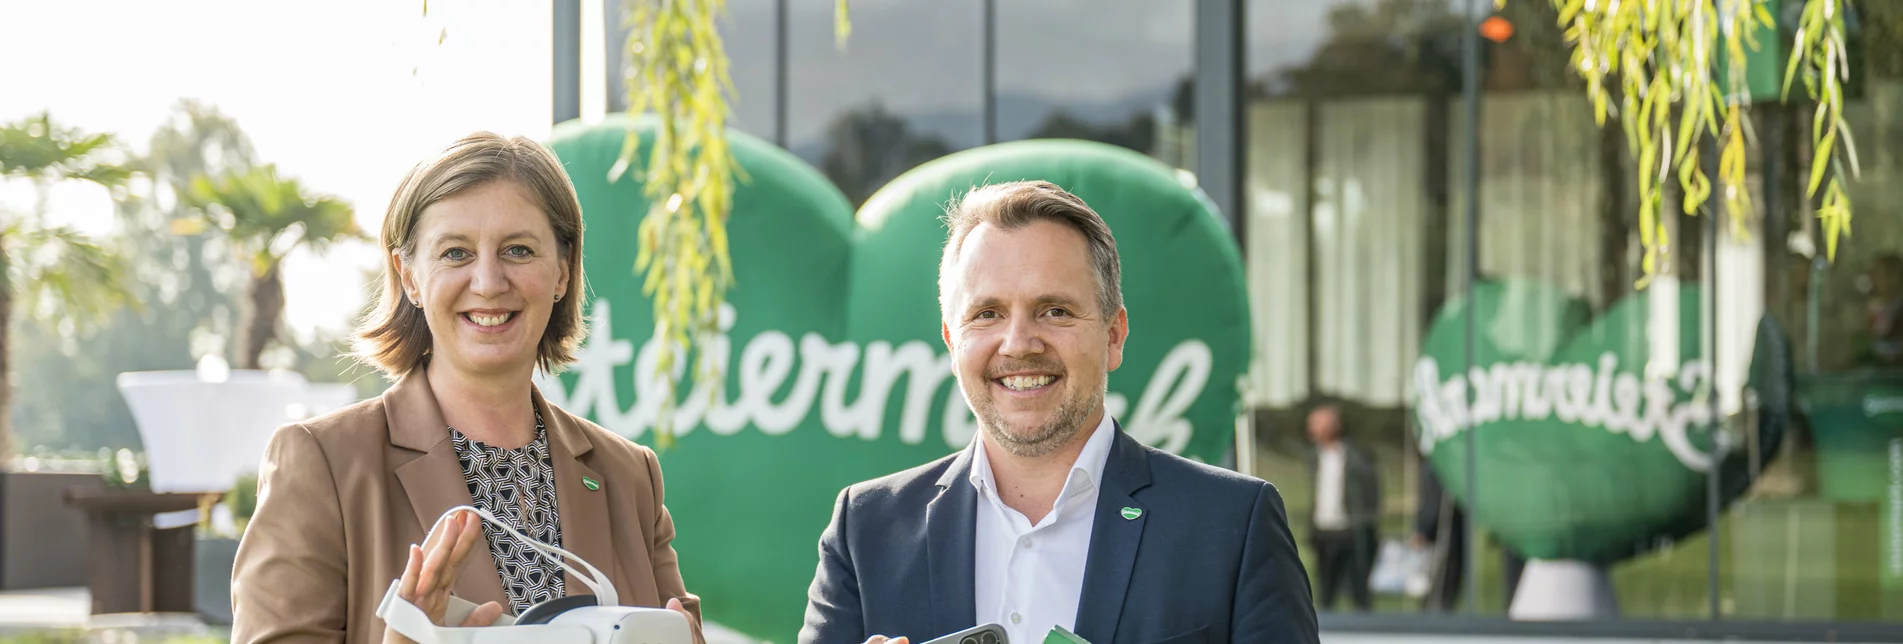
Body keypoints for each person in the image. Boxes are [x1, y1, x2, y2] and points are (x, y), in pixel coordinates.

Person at [229, 132, 704, 644]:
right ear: (408, 275)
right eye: (456, 253)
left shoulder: (630, 476)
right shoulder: (322, 463)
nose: (488, 281)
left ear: (563, 271)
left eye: (518, 250)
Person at [797, 181, 1319, 644]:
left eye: (1055, 310)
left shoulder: (1232, 524)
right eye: (988, 313)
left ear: (1114, 336)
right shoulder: (865, 531)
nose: (1019, 343)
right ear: (953, 343)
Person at [1303, 404, 1379, 613]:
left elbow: (1372, 493)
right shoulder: (1314, 457)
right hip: (1323, 532)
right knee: (1325, 591)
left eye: (1317, 424)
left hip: (1351, 531)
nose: (1312, 430)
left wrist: (1364, 520)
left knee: (1359, 592)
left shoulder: (1356, 456)